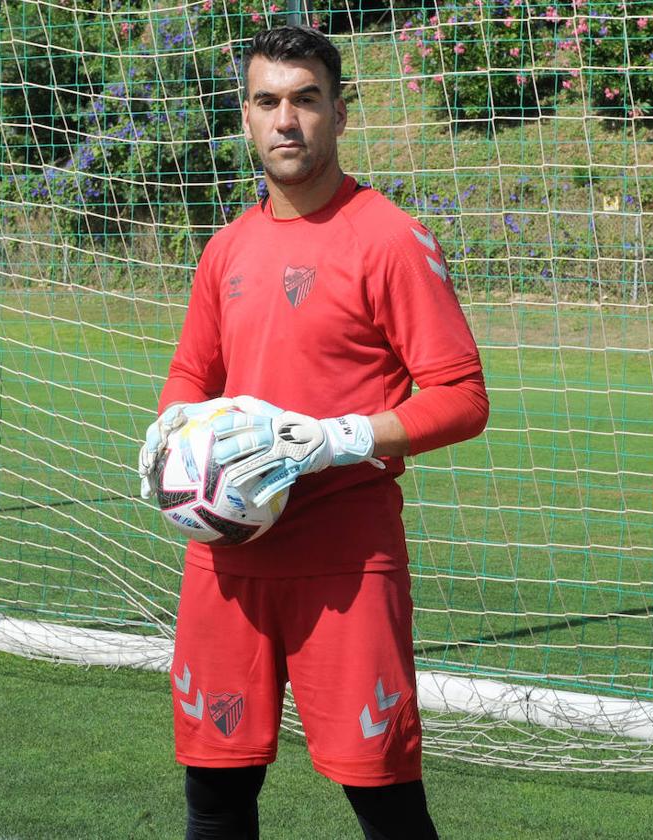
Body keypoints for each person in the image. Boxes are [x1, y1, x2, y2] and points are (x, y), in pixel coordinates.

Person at [138, 25, 489, 840]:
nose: (285, 120)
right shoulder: (226, 248)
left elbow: (462, 397)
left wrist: (341, 438)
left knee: (384, 799)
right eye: (268, 102)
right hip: (225, 559)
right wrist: (171, 431)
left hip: (345, 563)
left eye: (305, 100)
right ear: (247, 115)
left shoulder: (391, 238)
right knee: (216, 797)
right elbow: (193, 374)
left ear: (338, 112)